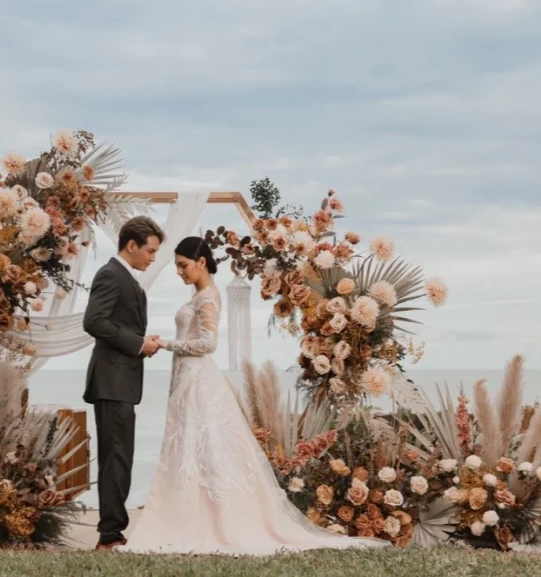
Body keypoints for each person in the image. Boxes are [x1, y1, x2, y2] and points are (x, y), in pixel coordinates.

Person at [125, 235, 375, 555]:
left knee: (204, 450)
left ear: (201, 263)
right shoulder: (199, 295)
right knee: (191, 451)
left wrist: (166, 344)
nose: (179, 272)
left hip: (199, 381)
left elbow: (208, 344)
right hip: (187, 381)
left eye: (183, 265)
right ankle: (189, 515)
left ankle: (211, 521)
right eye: (176, 267)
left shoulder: (208, 298)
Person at [82, 214, 165, 551]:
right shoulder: (111, 275)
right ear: (131, 245)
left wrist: (141, 343)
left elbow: (114, 324)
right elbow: (94, 321)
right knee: (116, 459)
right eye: (150, 250)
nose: (153, 257)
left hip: (120, 381)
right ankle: (110, 535)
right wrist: (138, 343)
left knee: (120, 458)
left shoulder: (123, 276)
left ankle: (112, 531)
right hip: (112, 382)